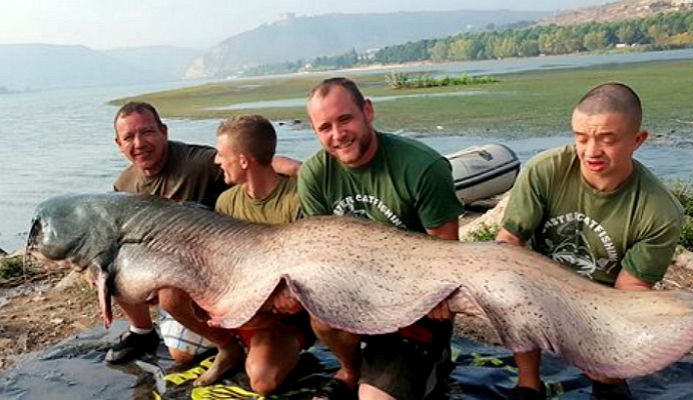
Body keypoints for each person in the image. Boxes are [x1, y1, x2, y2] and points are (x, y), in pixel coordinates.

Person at [495, 83, 683, 400]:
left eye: (607, 140)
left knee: (610, 365)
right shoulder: (545, 170)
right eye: (581, 138)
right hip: (543, 286)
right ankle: (529, 385)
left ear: (638, 140)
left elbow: (631, 289)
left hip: (604, 300)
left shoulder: (660, 212)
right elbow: (509, 240)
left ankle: (607, 382)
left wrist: (605, 339)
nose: (591, 151)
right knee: (507, 283)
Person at [109, 101, 301, 386]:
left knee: (178, 327)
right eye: (129, 137)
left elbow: (248, 158)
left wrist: (304, 171)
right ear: (119, 144)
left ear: (163, 131)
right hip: (174, 271)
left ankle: (250, 338)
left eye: (147, 132)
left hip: (221, 270)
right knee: (110, 268)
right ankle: (142, 331)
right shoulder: (123, 187)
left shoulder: (198, 162)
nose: (139, 143)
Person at [298, 77, 464, 400]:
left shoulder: (423, 167)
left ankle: (432, 357)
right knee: (320, 312)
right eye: (325, 127)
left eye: (345, 119)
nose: (337, 134)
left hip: (415, 300)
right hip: (357, 289)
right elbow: (321, 255)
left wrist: (435, 299)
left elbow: (448, 259)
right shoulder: (313, 176)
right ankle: (351, 368)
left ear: (368, 111)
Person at [212, 114, 314, 394]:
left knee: (262, 381)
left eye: (222, 154)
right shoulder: (226, 202)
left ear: (244, 161)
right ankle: (231, 346)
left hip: (288, 311)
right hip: (246, 300)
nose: (216, 161)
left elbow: (309, 269)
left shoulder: (297, 200)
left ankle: (272, 340)